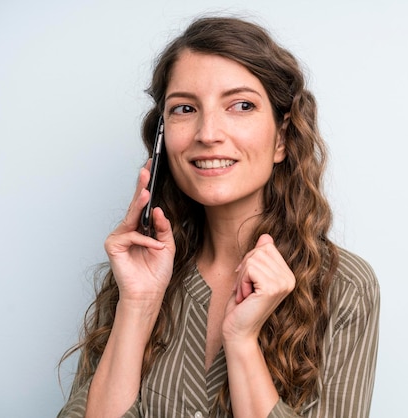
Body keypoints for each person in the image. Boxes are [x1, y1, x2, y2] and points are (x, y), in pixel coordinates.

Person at [58, 16, 379, 418]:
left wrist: (242, 341)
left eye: (241, 105)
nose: (208, 132)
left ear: (281, 137)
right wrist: (137, 305)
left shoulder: (343, 286)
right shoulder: (139, 269)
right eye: (185, 108)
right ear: (163, 138)